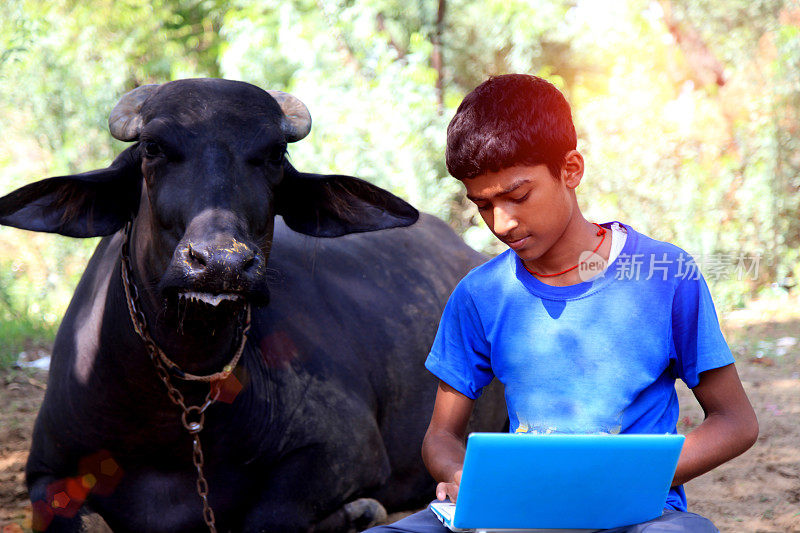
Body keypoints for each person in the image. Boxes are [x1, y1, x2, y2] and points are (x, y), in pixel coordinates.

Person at [367, 74, 758, 533]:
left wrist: (623, 480)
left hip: (636, 516)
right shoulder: (478, 296)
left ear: (570, 170)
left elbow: (736, 421)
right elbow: (442, 436)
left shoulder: (666, 276)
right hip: (512, 513)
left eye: (518, 196)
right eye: (483, 206)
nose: (503, 223)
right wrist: (460, 477)